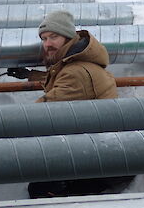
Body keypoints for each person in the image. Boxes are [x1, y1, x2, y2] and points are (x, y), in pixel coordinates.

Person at [8, 10, 134, 198]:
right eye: (44, 39)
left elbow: (42, 110)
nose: (47, 44)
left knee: (39, 189)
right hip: (103, 151)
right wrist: (31, 75)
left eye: (53, 37)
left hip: (106, 166)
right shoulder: (78, 65)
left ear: (68, 37)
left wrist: (2, 123)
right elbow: (62, 84)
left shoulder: (77, 74)